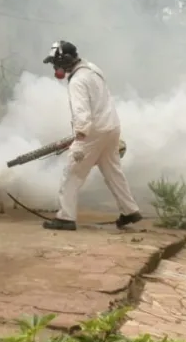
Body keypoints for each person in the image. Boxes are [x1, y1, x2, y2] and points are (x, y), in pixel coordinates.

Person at [42, 40, 143, 232]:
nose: (56, 68)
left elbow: (82, 113)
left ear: (66, 61)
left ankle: (65, 218)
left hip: (92, 132)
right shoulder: (93, 69)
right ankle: (130, 210)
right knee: (113, 172)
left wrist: (79, 140)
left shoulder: (77, 81)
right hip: (111, 127)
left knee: (72, 173)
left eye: (57, 63)